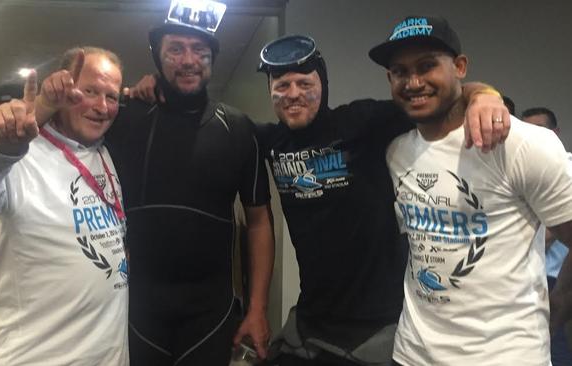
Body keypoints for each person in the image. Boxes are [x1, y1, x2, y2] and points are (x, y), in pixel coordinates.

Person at [133, 30, 508, 364]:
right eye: (281, 86)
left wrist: (484, 95)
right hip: (311, 320)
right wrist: (152, 88)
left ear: (322, 85)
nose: (293, 94)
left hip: (380, 326)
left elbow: (430, 97)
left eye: (303, 83)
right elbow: (213, 128)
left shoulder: (363, 122)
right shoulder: (266, 140)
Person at [33, 7, 274, 366]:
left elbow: (258, 222)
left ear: (213, 57)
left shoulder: (238, 129)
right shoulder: (125, 115)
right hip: (136, 309)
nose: (188, 60)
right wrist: (38, 105)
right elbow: (66, 131)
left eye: (199, 50)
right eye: (175, 49)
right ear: (157, 56)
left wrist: (257, 309)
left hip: (210, 312)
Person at [370, 15, 572, 365]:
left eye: (427, 65)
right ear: (390, 79)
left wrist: (561, 303)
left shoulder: (522, 144)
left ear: (460, 67)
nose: (414, 81)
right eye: (400, 71)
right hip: (412, 354)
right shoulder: (396, 152)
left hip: (503, 356)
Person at [0, 47, 129, 365]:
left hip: (107, 354)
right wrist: (3, 149)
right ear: (63, 89)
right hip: (32, 356)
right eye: (90, 91)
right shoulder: (18, 152)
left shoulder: (103, 153)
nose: (102, 107)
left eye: (111, 96)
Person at [522, 106, 572, 365]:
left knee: (554, 346)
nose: (534, 138)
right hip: (530, 279)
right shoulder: (524, 171)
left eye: (541, 130)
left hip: (556, 279)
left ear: (556, 133)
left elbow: (551, 232)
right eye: (527, 131)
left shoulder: (567, 169)